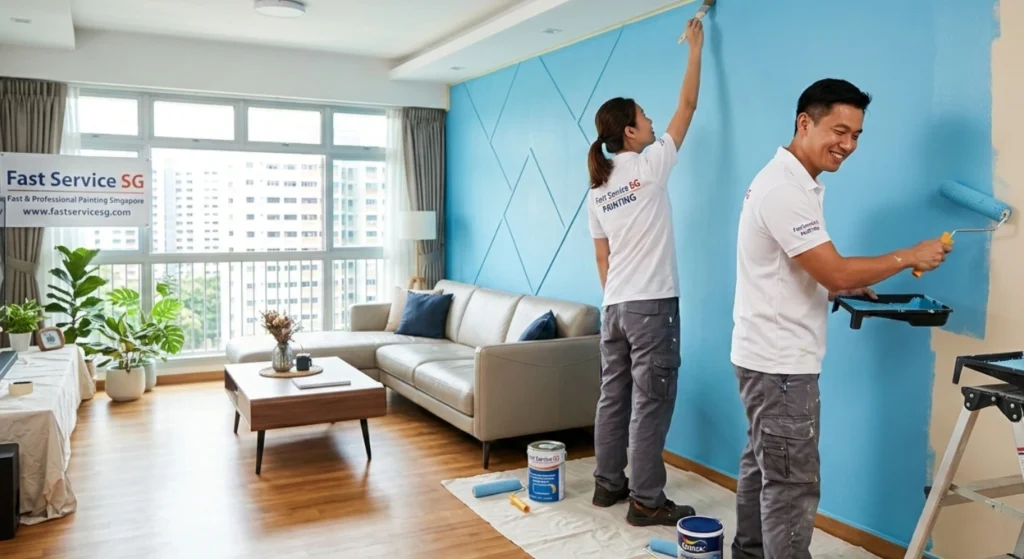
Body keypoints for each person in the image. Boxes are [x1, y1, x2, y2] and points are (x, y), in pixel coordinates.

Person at [729, 78, 951, 558]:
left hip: (761, 355)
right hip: (782, 365)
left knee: (763, 465)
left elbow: (809, 268)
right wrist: (907, 254)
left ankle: (748, 553)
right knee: (792, 483)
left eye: (856, 136)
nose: (848, 145)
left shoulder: (792, 182)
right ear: (804, 122)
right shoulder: (784, 190)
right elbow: (830, 266)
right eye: (839, 130)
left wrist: (839, 282)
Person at [585, 17, 705, 527]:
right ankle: (646, 501)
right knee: (651, 402)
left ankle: (608, 485)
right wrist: (696, 49)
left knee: (614, 396)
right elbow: (688, 107)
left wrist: (617, 299)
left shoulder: (597, 187)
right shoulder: (650, 165)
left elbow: (601, 259)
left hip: (614, 307)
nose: (654, 122)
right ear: (630, 133)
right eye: (645, 117)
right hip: (652, 306)